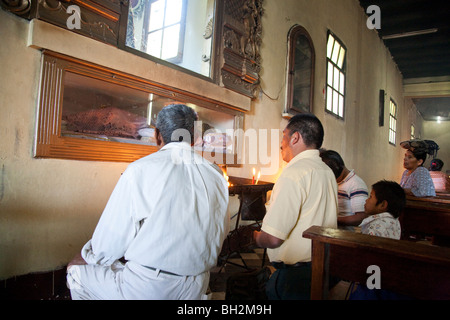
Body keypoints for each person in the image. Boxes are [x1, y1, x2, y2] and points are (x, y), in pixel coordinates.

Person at [66, 104, 230, 300]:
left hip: (149, 288)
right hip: (198, 285)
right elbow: (221, 230)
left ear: (157, 135)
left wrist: (85, 257)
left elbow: (107, 245)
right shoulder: (216, 174)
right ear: (194, 138)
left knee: (76, 273)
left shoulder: (140, 169)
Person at [253, 114, 338, 300]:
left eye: (283, 136)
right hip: (320, 267)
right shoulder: (326, 171)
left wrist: (255, 237)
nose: (281, 144)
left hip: (294, 277)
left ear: (295, 137)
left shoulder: (294, 173)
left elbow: (274, 238)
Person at [350, 180, 411, 300]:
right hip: (387, 274)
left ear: (383, 205)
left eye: (371, 197)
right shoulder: (394, 221)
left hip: (373, 275)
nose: (366, 200)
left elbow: (368, 256)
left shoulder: (374, 227)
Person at [319, 149, 369, 230]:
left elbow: (360, 217)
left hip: (345, 233)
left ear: (341, 167)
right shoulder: (333, 180)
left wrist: (333, 220)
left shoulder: (356, 184)